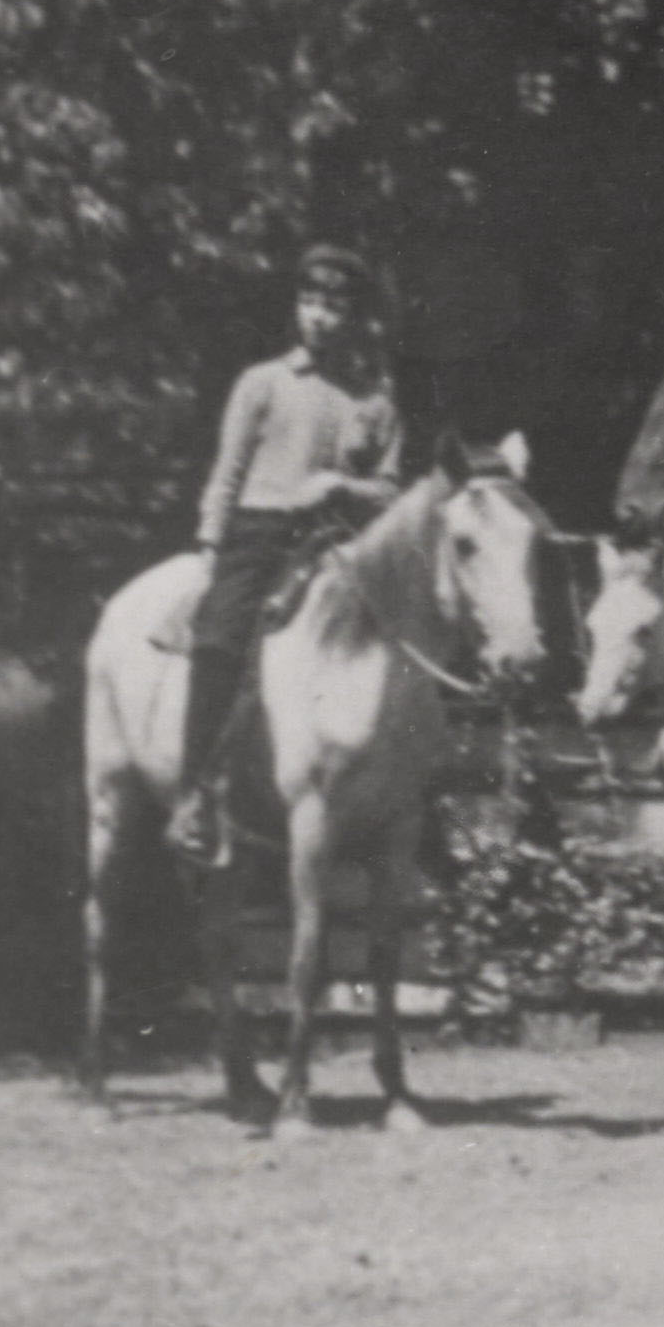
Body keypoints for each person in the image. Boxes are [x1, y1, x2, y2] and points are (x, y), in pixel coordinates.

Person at [172, 245, 407, 865]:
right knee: (223, 641)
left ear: (354, 317)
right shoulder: (264, 384)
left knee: (392, 646)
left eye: (333, 306)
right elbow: (226, 473)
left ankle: (404, 797)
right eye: (309, 302)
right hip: (258, 533)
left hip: (337, 545)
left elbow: (390, 491)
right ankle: (194, 791)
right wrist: (208, 546)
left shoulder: (375, 401)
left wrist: (342, 487)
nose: (319, 317)